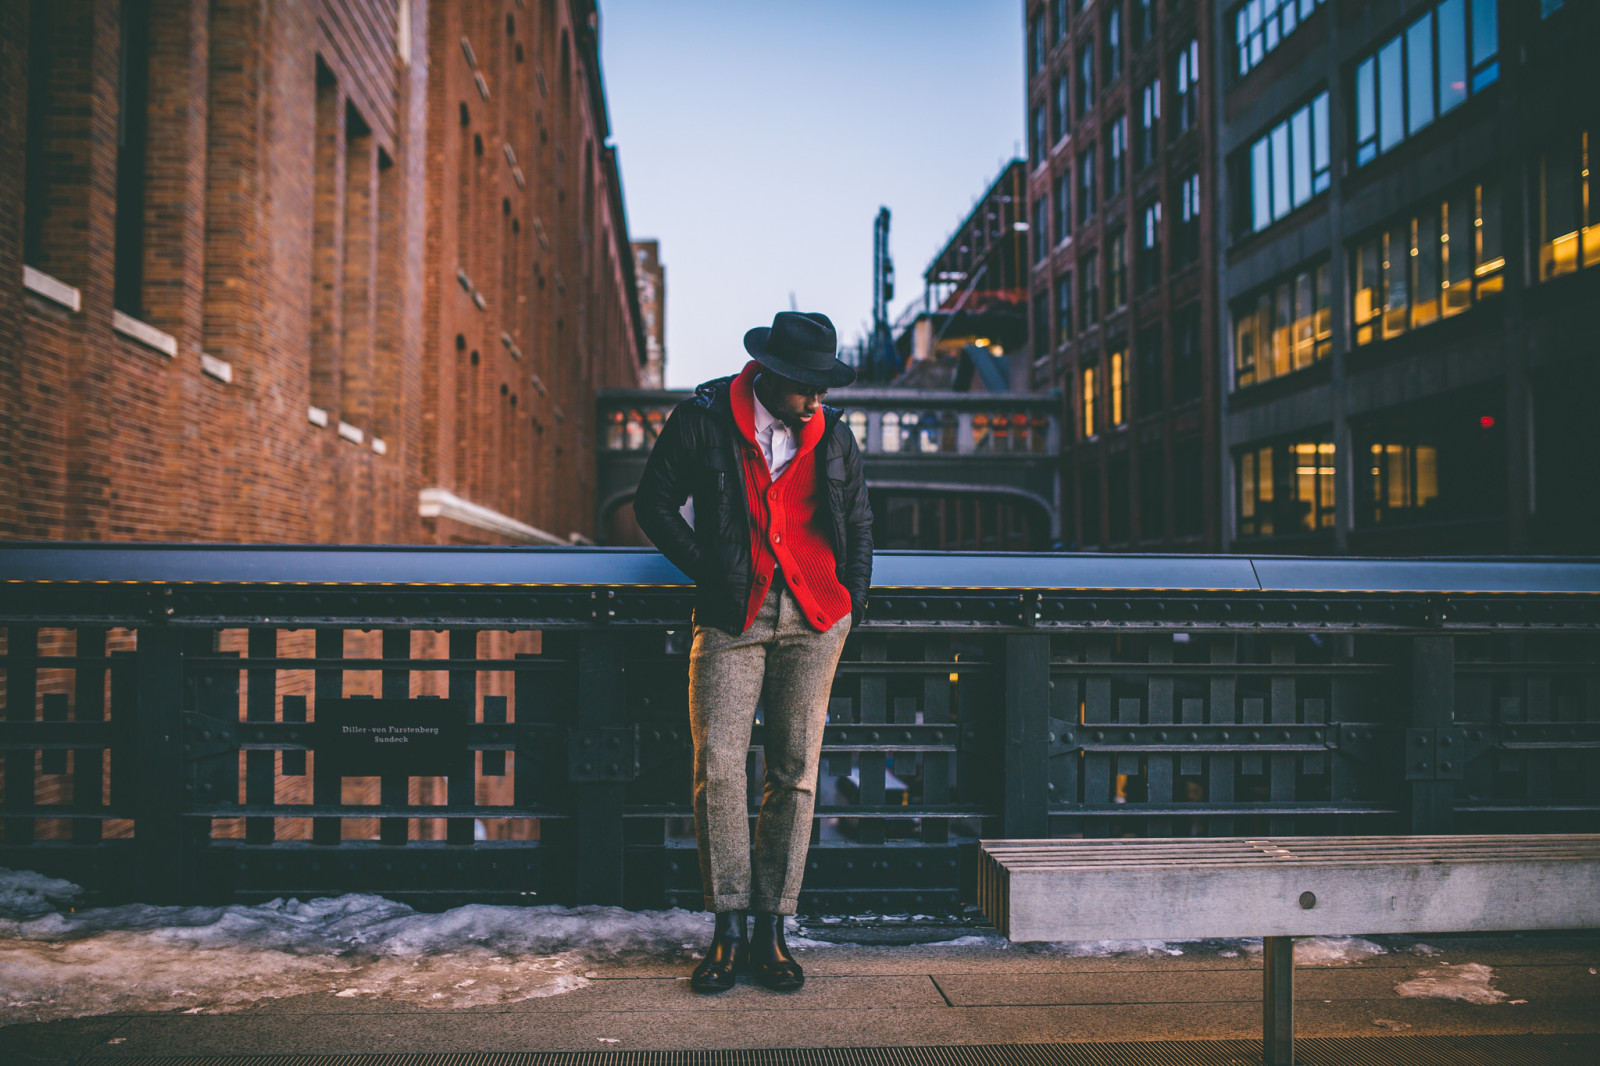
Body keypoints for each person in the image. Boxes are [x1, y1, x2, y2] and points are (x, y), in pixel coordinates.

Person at [634, 311, 873, 993]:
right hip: (729, 616)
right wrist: (712, 571)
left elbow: (858, 519)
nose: (817, 400)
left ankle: (773, 928)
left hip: (817, 618)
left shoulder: (833, 433)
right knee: (718, 766)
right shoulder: (704, 417)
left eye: (824, 387)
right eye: (808, 386)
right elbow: (652, 505)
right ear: (773, 375)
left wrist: (851, 601)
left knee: (795, 770)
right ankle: (727, 927)